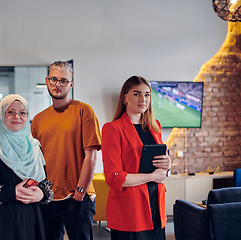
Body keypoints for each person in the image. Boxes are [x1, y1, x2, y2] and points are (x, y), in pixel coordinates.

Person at [0, 94, 53, 240]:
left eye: (22, 112)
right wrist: (9, 192)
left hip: (30, 221)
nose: (17, 116)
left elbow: (46, 182)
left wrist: (43, 194)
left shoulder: (35, 147)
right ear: (1, 115)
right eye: (10, 111)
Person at [31, 61, 102, 240]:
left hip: (77, 196)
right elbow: (35, 161)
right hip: (47, 198)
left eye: (63, 81)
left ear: (71, 84)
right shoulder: (39, 119)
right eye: (54, 79)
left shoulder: (84, 111)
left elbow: (91, 157)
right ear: (47, 81)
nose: (58, 84)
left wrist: (79, 195)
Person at [101, 76, 171, 240]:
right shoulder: (113, 129)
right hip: (131, 210)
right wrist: (153, 176)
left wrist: (167, 164)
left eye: (147, 95)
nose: (143, 99)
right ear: (124, 98)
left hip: (156, 206)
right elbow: (114, 177)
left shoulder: (155, 126)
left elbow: (159, 162)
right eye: (137, 94)